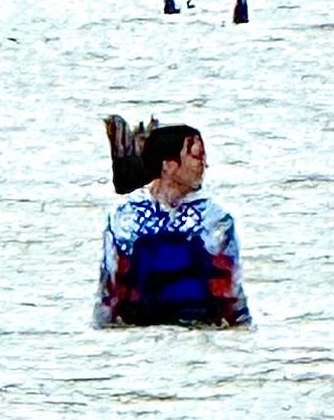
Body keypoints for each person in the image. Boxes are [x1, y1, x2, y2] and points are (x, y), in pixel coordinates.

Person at [95, 124, 250, 328]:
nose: (203, 166)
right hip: (141, 330)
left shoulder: (216, 219)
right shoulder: (125, 216)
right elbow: (109, 289)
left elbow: (232, 290)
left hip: (200, 330)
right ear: (168, 165)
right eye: (196, 157)